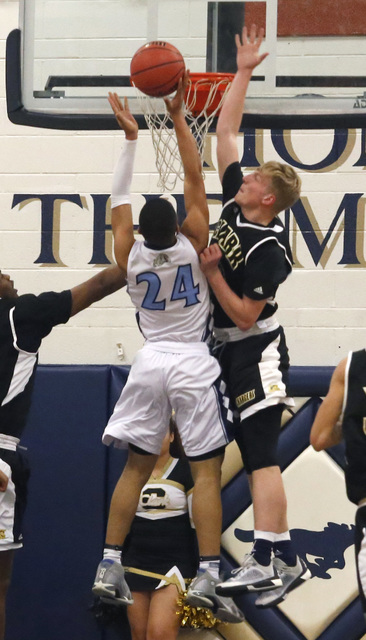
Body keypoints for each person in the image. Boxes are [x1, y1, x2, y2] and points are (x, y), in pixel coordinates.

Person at [92, 78, 244, 625]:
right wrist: (179, 115)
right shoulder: (195, 235)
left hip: (150, 359)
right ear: (175, 224)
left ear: (138, 231)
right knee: (205, 472)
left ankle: (109, 562)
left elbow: (118, 199)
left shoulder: (125, 251)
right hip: (192, 360)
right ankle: (207, 569)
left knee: (135, 468)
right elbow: (193, 174)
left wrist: (130, 139)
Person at [198, 25, 311, 608]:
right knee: (253, 446)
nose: (244, 178)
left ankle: (267, 558)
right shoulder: (234, 204)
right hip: (227, 350)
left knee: (262, 450)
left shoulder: (272, 251)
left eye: (255, 179)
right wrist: (242, 71)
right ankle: (284, 559)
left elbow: (244, 316)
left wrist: (214, 271)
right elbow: (226, 131)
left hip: (258, 348)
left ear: (268, 197)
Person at [0, 265, 126, 640]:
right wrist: (151, 251)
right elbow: (101, 283)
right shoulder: (21, 314)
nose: (10, 276)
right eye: (2, 273)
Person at [122, 418, 197, 640]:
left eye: (160, 431)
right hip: (136, 562)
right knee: (139, 634)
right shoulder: (132, 472)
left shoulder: (186, 470)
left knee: (159, 634)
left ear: (172, 436)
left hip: (173, 564)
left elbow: (198, 523)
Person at [310, 350, 366, 622]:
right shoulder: (351, 367)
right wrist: (353, 426)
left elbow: (320, 436)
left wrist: (355, 424)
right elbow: (319, 438)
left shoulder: (352, 367)